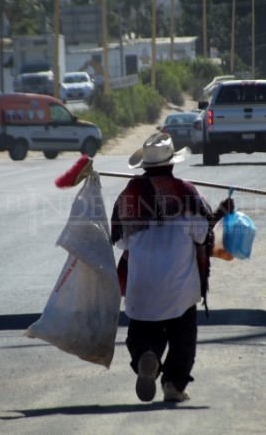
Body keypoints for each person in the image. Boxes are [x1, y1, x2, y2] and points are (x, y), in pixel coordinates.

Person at [110, 133, 234, 403]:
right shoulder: (188, 193)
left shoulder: (130, 195)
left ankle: (146, 356)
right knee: (183, 337)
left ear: (145, 165)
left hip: (142, 289)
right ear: (172, 163)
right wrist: (221, 213)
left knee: (142, 335)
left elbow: (121, 242)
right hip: (180, 289)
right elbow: (201, 236)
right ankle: (173, 386)